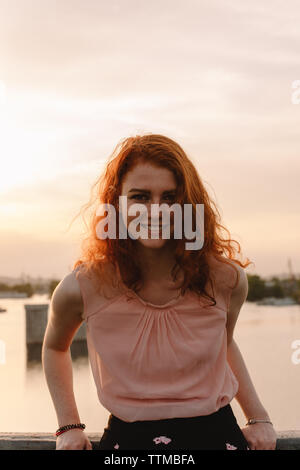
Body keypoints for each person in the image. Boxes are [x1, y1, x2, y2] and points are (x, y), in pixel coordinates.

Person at [42, 133, 277, 450]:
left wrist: (258, 417)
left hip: (217, 437)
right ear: (116, 202)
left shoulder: (226, 279)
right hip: (128, 442)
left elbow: (225, 343)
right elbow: (55, 348)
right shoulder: (83, 286)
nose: (156, 210)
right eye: (140, 197)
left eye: (170, 197)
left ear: (188, 204)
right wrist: (68, 426)